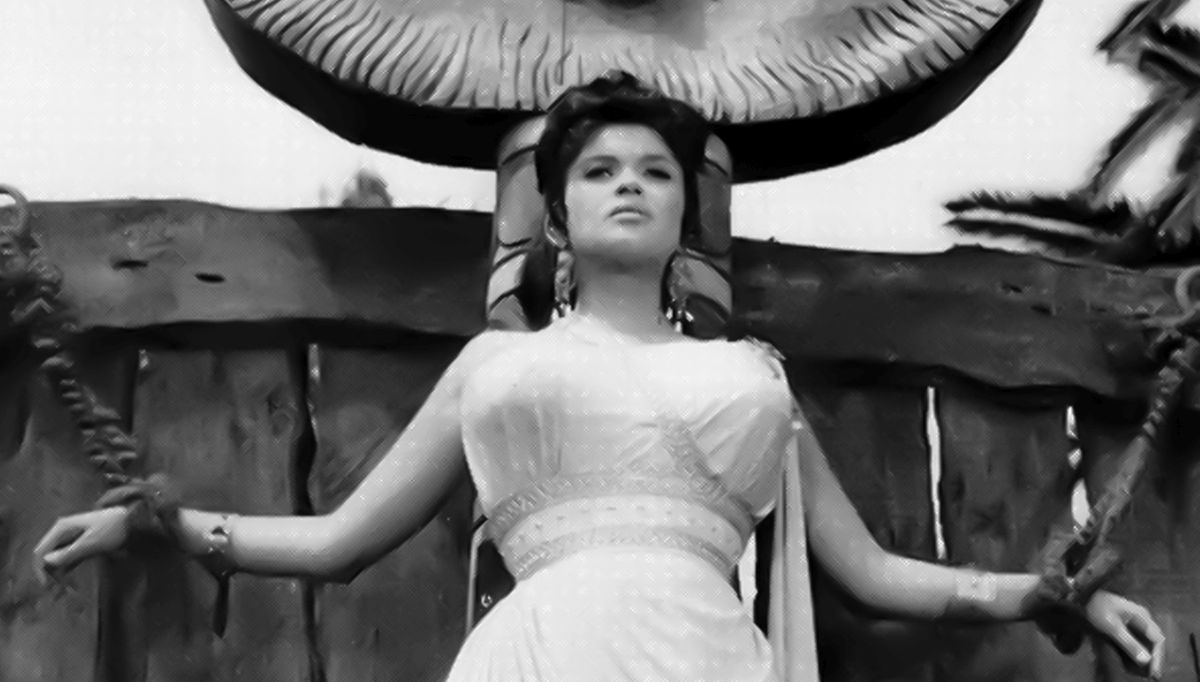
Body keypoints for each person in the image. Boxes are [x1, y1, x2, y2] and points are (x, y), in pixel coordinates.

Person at [33, 72, 1165, 681]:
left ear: (683, 214)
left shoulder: (752, 378)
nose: (630, 185)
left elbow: (870, 572)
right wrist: (157, 523)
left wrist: (1052, 595)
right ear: (558, 215)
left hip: (709, 655)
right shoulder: (499, 363)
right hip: (541, 654)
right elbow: (337, 541)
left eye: (657, 172)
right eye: (600, 170)